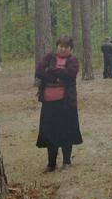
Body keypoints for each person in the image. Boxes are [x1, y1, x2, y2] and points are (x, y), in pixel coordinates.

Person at [35, 35, 83, 172]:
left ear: (70, 49)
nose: (63, 49)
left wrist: (50, 70)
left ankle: (67, 162)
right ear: (57, 46)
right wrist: (56, 78)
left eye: (66, 47)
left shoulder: (73, 60)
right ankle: (51, 164)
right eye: (61, 46)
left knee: (66, 132)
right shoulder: (49, 57)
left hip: (66, 103)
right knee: (50, 133)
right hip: (49, 103)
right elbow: (39, 72)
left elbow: (69, 74)